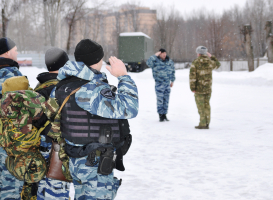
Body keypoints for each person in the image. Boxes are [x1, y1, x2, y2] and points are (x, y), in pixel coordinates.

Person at [47, 39, 138, 199]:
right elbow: (129, 108)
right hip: (93, 163)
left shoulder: (62, 86)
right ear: (98, 60)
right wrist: (123, 76)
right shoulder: (90, 89)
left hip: (76, 160)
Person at [34, 47, 70, 200]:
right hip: (59, 150)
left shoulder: (37, 89)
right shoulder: (67, 88)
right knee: (58, 193)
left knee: (40, 191)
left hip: (39, 147)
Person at [0, 37, 24, 200]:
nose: (17, 53)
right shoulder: (12, 77)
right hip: (9, 145)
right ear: (7, 52)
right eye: (15, 50)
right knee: (10, 190)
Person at [189, 46, 220, 129]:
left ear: (198, 53)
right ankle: (207, 123)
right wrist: (211, 57)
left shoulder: (195, 62)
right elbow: (218, 64)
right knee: (207, 106)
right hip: (208, 89)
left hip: (199, 89)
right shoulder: (210, 62)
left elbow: (192, 76)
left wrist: (192, 88)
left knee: (201, 106)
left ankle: (202, 123)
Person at [146, 48, 175, 122]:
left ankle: (165, 115)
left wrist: (172, 81)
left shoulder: (169, 61)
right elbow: (148, 63)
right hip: (159, 84)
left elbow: (172, 71)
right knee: (160, 100)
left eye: (165, 53)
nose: (164, 55)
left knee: (166, 100)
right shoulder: (155, 61)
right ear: (159, 54)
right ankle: (160, 115)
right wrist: (155, 55)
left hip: (167, 84)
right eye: (162, 53)